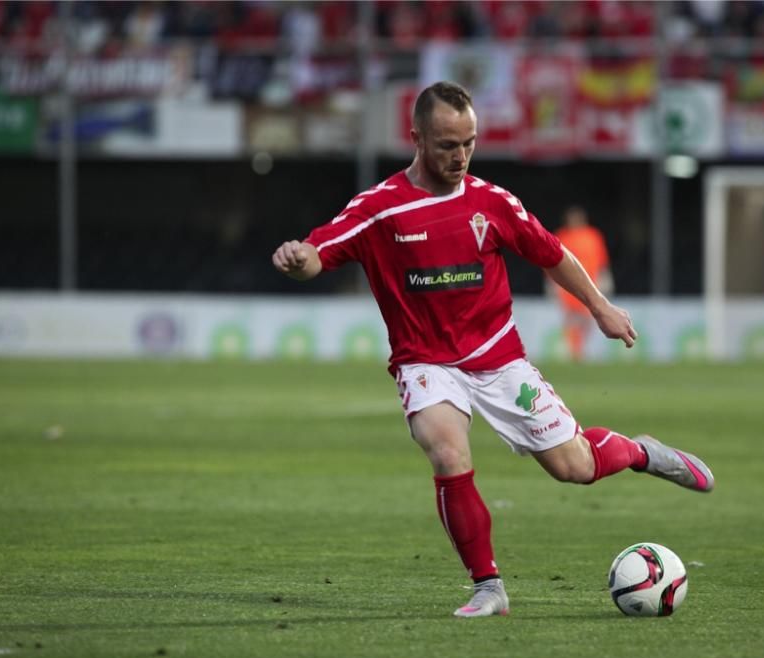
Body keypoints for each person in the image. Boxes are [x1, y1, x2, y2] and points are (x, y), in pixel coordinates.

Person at [272, 81, 714, 618]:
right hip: (425, 360)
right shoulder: (381, 208)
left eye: (469, 143)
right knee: (447, 448)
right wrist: (301, 259)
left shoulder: (492, 202)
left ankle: (642, 451)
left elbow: (552, 255)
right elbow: (321, 250)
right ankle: (488, 587)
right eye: (446, 145)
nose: (460, 157)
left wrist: (599, 308)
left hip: (500, 359)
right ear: (416, 138)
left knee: (575, 467)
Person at [550, 205, 613, 361]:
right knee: (571, 317)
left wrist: (605, 278)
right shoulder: (561, 236)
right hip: (568, 284)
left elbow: (601, 260)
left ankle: (581, 349)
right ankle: (574, 351)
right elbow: (551, 261)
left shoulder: (593, 236)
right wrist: (551, 283)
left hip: (590, 283)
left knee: (587, 317)